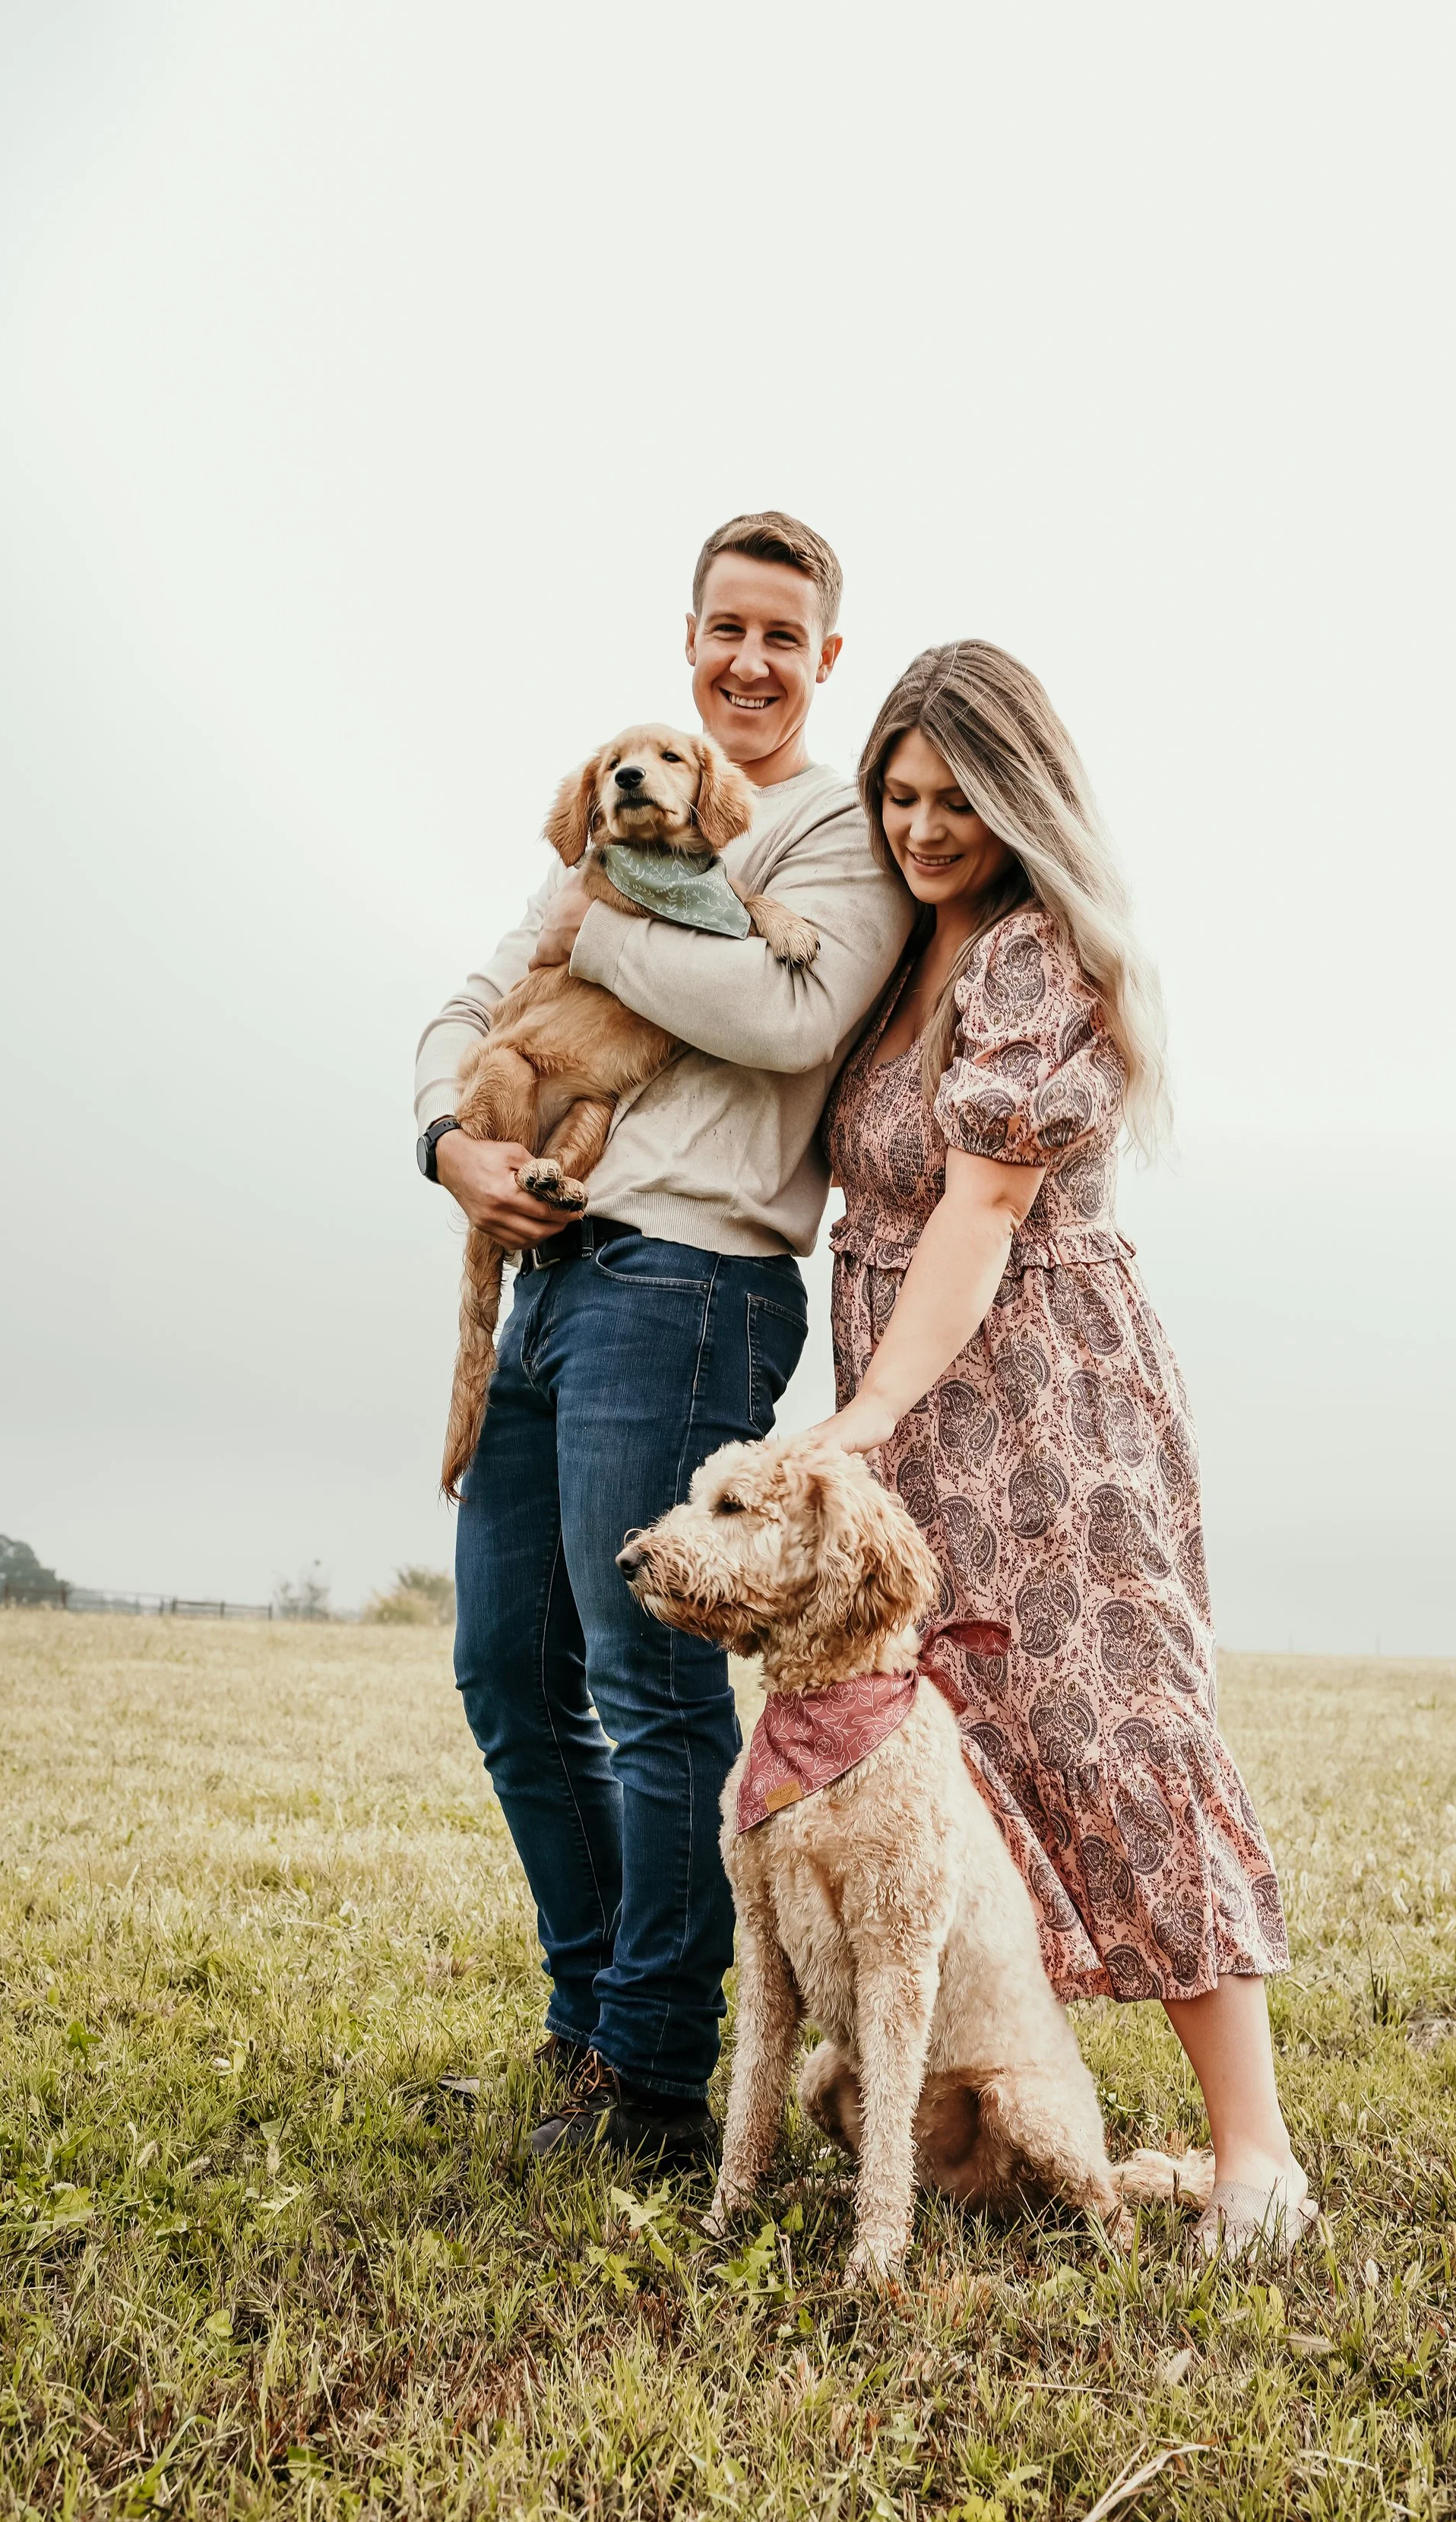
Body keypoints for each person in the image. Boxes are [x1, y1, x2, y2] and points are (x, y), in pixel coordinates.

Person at [413, 512, 910, 2171]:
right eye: (724, 630)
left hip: (691, 1281)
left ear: (822, 657)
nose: (749, 661)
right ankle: (587, 2015)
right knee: (503, 1669)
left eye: (783, 635)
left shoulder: (836, 825)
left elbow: (783, 1018)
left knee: (648, 1685)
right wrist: (449, 1144)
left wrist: (592, 917)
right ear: (688, 641)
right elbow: (464, 1006)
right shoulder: (624, 812)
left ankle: (648, 2081)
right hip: (548, 1271)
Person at [809, 641, 1314, 2254]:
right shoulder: (899, 963)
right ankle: (984, 2117)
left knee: (1119, 1735)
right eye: (897, 793)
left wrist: (868, 1415)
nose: (921, 825)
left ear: (1021, 797)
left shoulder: (1032, 958)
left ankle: (1255, 2161)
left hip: (1040, 1403)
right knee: (949, 1753)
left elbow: (984, 1202)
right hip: (914, 1390)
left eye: (957, 796)